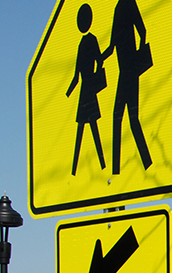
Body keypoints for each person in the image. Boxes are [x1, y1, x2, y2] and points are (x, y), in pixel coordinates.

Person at [102, 0, 152, 175]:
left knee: (126, 118)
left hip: (129, 71)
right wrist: (100, 59)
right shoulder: (118, 8)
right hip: (124, 72)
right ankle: (122, 169)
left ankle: (145, 164)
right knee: (124, 118)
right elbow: (112, 45)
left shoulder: (128, 4)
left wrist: (137, 58)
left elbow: (143, 30)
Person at [65, 3, 107, 176]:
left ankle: (101, 165)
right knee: (85, 129)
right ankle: (78, 169)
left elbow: (96, 62)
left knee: (88, 129)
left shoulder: (88, 41)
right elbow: (98, 61)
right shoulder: (86, 42)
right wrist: (67, 93)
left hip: (86, 90)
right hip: (86, 89)